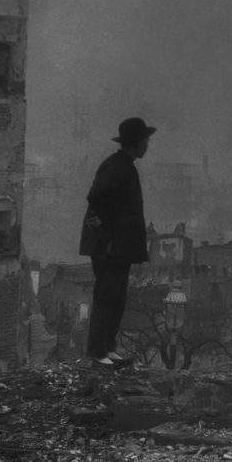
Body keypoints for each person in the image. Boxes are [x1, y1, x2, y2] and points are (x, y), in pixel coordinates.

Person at [79, 117, 155, 367]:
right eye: (145, 141)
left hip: (117, 248)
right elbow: (96, 197)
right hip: (109, 247)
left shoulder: (124, 165)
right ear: (137, 142)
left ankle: (108, 348)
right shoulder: (117, 167)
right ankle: (97, 352)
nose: (147, 145)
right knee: (107, 295)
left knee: (117, 297)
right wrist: (107, 231)